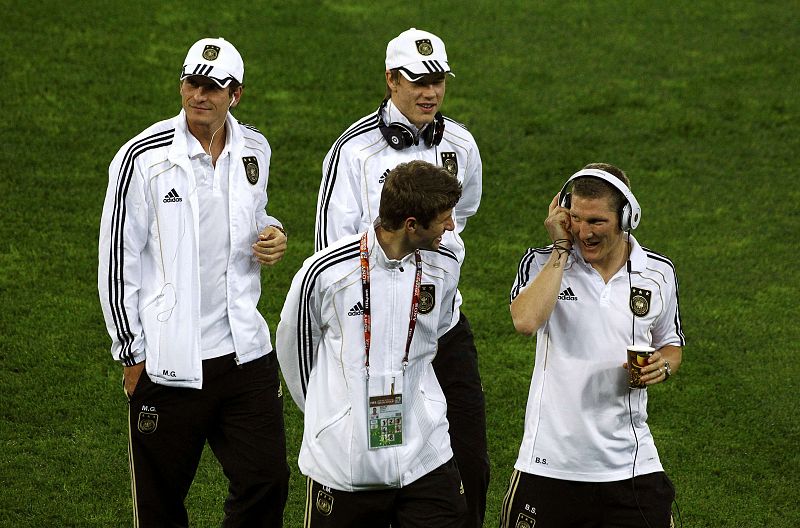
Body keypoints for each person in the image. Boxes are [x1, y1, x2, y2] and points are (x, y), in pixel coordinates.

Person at [98, 37, 289, 527]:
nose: (199, 95)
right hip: (169, 359)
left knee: (266, 482)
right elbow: (117, 257)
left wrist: (274, 233)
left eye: (213, 87)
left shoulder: (255, 149)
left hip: (244, 352)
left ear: (236, 95)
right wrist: (131, 353)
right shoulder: (142, 157)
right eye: (192, 83)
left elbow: (254, 213)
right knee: (160, 506)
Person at [314, 27, 488, 528]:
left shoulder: (460, 144)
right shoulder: (352, 152)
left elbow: (463, 214)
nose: (431, 91)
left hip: (444, 327)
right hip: (382, 339)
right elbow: (331, 253)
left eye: (438, 80)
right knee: (380, 464)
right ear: (390, 80)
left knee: (469, 464)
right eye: (418, 81)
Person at [278, 160, 467, 527]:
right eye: (443, 218)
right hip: (346, 459)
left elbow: (438, 330)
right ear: (411, 224)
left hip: (424, 451)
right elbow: (294, 348)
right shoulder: (327, 272)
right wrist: (332, 413)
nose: (451, 226)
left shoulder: (444, 265)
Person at [500, 163, 685, 527]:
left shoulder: (658, 273)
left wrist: (660, 366)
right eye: (576, 219)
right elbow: (525, 321)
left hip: (631, 466)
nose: (584, 231)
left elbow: (671, 344)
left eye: (597, 221)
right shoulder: (543, 263)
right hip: (548, 464)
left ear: (626, 218)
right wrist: (559, 249)